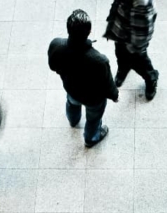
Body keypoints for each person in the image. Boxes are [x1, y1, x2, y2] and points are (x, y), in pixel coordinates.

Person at [48, 9, 119, 147]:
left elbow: (52, 65)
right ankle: (91, 138)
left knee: (72, 104)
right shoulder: (99, 60)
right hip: (93, 99)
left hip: (71, 89)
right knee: (93, 119)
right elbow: (107, 84)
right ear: (89, 32)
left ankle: (73, 121)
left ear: (68, 29)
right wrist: (115, 95)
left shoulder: (56, 45)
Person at [103, 0, 160, 100]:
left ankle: (151, 78)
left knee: (140, 63)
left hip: (133, 42)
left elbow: (142, 30)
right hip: (121, 32)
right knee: (120, 55)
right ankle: (123, 69)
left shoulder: (141, 0)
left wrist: (134, 48)